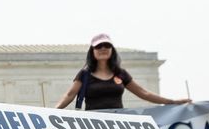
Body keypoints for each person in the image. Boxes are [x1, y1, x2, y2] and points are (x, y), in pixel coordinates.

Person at [54, 33, 188, 111]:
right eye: (98, 46)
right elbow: (69, 95)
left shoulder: (121, 74)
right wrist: (51, 113)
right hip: (92, 124)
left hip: (119, 122)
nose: (103, 48)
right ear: (92, 51)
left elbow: (144, 93)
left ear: (112, 49)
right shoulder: (85, 74)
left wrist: (172, 102)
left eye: (107, 45)